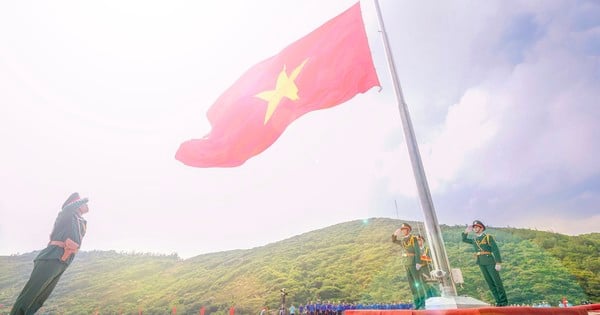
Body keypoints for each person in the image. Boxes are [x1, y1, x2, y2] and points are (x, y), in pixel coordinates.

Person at [10, 192, 89, 315]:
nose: (86, 205)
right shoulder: (66, 215)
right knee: (29, 296)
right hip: (51, 258)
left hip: (63, 261)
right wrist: (84, 199)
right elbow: (67, 208)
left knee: (39, 299)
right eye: (82, 203)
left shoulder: (80, 220)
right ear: (75, 203)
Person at [461, 220, 508, 306]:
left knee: (497, 282)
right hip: (481, 262)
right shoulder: (475, 239)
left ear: (481, 228)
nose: (475, 229)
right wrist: (466, 232)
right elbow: (464, 239)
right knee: (490, 283)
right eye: (474, 227)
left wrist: (498, 262)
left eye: (476, 227)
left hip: (490, 261)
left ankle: (503, 302)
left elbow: (495, 249)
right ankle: (498, 301)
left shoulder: (487, 237)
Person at [392, 223, 426, 310]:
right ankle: (416, 303)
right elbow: (394, 241)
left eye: (404, 229)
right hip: (407, 263)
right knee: (412, 285)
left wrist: (418, 262)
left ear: (408, 230)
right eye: (402, 230)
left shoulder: (413, 238)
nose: (402, 231)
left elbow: (417, 251)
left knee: (418, 283)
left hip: (414, 262)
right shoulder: (403, 241)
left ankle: (423, 303)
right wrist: (395, 234)